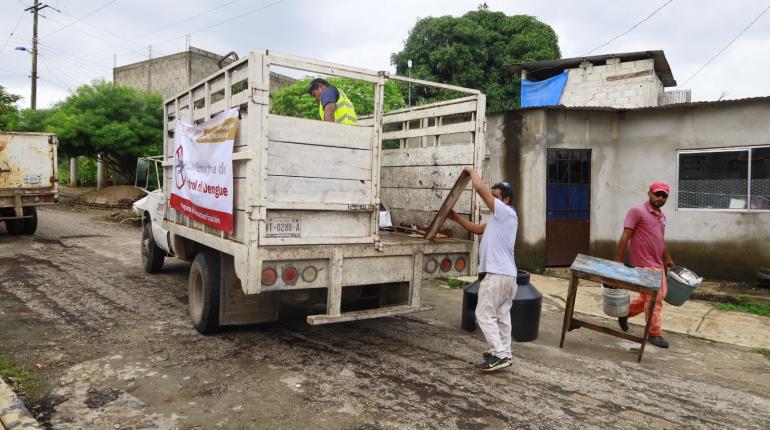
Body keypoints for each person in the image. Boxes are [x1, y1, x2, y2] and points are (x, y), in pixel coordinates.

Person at [448, 167, 518, 372]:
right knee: (502, 316)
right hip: (507, 275)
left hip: (497, 275)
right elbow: (477, 230)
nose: (491, 199)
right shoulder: (498, 219)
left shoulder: (506, 213)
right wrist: (456, 218)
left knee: (483, 314)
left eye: (495, 196)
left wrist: (470, 171)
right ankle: (504, 353)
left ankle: (498, 354)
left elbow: (479, 189)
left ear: (505, 200)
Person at [614, 181, 674, 348]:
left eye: (664, 196)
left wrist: (667, 257)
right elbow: (626, 235)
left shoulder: (661, 216)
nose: (660, 198)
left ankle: (625, 313)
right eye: (657, 194)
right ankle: (654, 333)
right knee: (655, 300)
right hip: (643, 264)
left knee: (651, 297)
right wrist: (618, 260)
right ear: (649, 193)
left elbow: (660, 239)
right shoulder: (637, 211)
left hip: (658, 263)